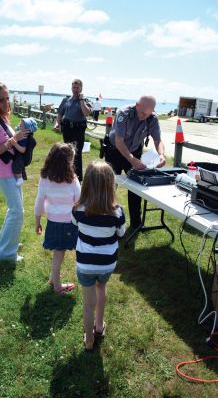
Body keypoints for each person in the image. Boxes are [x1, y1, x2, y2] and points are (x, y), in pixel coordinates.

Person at [72, 161, 126, 351]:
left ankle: (88, 341)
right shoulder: (117, 212)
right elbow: (121, 234)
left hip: (85, 264)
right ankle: (99, 326)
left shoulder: (77, 210)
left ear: (86, 184)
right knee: (101, 287)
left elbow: (75, 225)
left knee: (88, 304)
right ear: (111, 185)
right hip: (106, 264)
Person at [105, 95, 166, 228]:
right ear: (137, 105)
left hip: (134, 151)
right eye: (143, 113)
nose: (145, 116)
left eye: (149, 113)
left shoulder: (152, 118)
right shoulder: (124, 113)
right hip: (115, 151)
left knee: (136, 187)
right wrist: (132, 160)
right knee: (109, 186)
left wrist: (161, 154)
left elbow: (157, 140)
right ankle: (106, 219)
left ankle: (136, 223)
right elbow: (119, 141)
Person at [0, 81, 27, 262]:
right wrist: (12, 140)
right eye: (1, 100)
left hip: (13, 173)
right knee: (17, 211)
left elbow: (10, 140)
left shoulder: (3, 119)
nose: (6, 103)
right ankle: (6, 254)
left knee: (15, 211)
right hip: (4, 173)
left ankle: (7, 245)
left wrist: (19, 133)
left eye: (7, 98)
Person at [34, 142, 81, 295]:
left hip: (52, 222)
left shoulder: (45, 178)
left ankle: (53, 279)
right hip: (68, 223)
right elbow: (79, 201)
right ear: (68, 162)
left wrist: (37, 221)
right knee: (59, 253)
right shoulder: (72, 179)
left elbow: (39, 200)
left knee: (58, 251)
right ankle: (57, 286)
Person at [56, 79, 91, 182]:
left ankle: (78, 179)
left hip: (78, 129)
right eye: (74, 87)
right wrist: (57, 123)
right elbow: (60, 113)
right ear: (71, 88)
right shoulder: (66, 100)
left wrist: (81, 100)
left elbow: (86, 113)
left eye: (77, 88)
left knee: (77, 154)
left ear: (81, 88)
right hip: (67, 129)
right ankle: (67, 175)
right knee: (67, 152)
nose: (75, 90)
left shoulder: (85, 101)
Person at [12, 117, 37, 186]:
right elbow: (16, 129)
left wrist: (14, 143)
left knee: (16, 165)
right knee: (18, 165)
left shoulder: (25, 138)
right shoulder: (22, 133)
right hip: (20, 155)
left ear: (27, 129)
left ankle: (20, 178)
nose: (19, 125)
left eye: (21, 125)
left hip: (22, 157)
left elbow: (23, 150)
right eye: (20, 124)